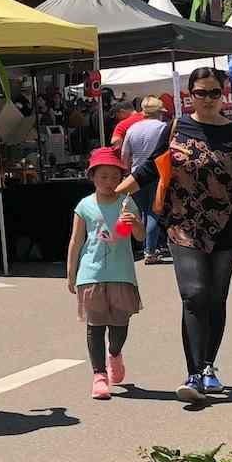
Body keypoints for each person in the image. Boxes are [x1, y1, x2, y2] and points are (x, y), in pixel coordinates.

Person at [119, 66, 232, 405]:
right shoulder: (176, 127)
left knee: (215, 299)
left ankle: (209, 365)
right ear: (190, 95)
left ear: (223, 96)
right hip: (182, 225)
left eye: (215, 93)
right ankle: (194, 372)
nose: (208, 100)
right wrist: (117, 190)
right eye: (201, 93)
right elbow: (149, 166)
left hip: (225, 227)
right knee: (195, 294)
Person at [67, 148, 142, 400]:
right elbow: (76, 242)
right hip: (91, 274)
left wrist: (135, 223)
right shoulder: (85, 205)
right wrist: (71, 273)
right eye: (103, 177)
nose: (109, 182)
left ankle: (115, 353)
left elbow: (140, 238)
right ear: (93, 177)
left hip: (122, 274)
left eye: (114, 177)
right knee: (95, 325)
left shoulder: (127, 202)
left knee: (120, 324)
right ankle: (99, 375)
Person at [117, 97, 171, 264]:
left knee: (142, 213)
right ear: (158, 113)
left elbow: (124, 157)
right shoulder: (163, 128)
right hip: (157, 175)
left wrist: (127, 173)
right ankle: (150, 250)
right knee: (153, 213)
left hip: (136, 176)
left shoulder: (132, 129)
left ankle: (146, 247)